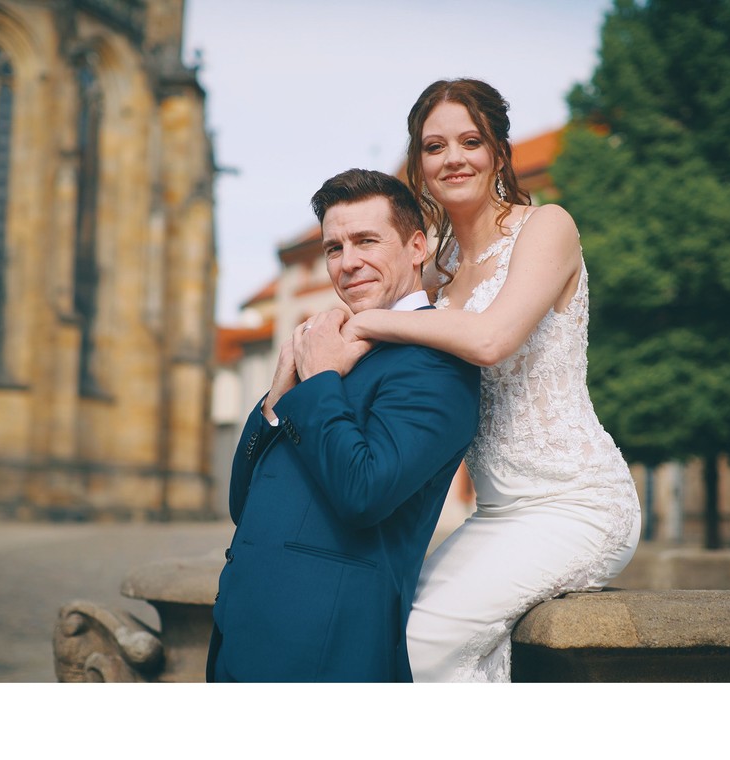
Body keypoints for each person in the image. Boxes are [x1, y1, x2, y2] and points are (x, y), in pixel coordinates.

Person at [339, 79, 642, 682]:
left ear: (499, 152)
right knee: (387, 624)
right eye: (434, 147)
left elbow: (491, 339)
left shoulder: (546, 227)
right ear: (418, 166)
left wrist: (367, 322)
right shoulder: (440, 275)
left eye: (470, 141)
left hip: (577, 503)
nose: (453, 158)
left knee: (420, 648)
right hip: (497, 513)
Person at [207, 168, 480, 682]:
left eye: (366, 241)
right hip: (242, 637)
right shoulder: (323, 351)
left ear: (416, 247)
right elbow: (244, 504)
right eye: (334, 247)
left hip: (326, 648)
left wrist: (321, 380)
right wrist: (278, 398)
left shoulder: (436, 360)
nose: (347, 262)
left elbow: (365, 492)